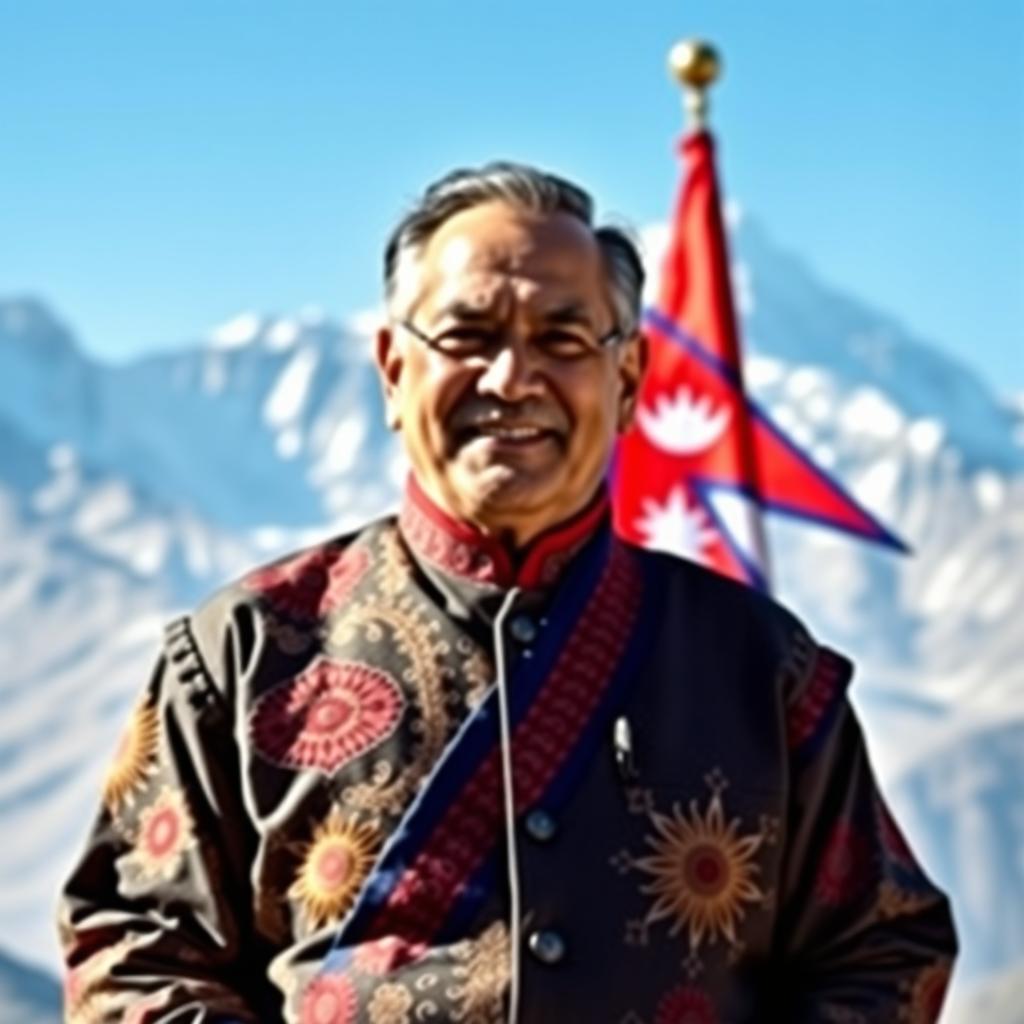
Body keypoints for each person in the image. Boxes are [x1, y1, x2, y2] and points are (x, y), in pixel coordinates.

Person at [59, 162, 957, 1023]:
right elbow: (132, 948)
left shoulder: (760, 667)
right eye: (467, 337)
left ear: (629, 379)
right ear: (392, 370)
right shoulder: (245, 651)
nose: (511, 379)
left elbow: (883, 945)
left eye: (562, 340)